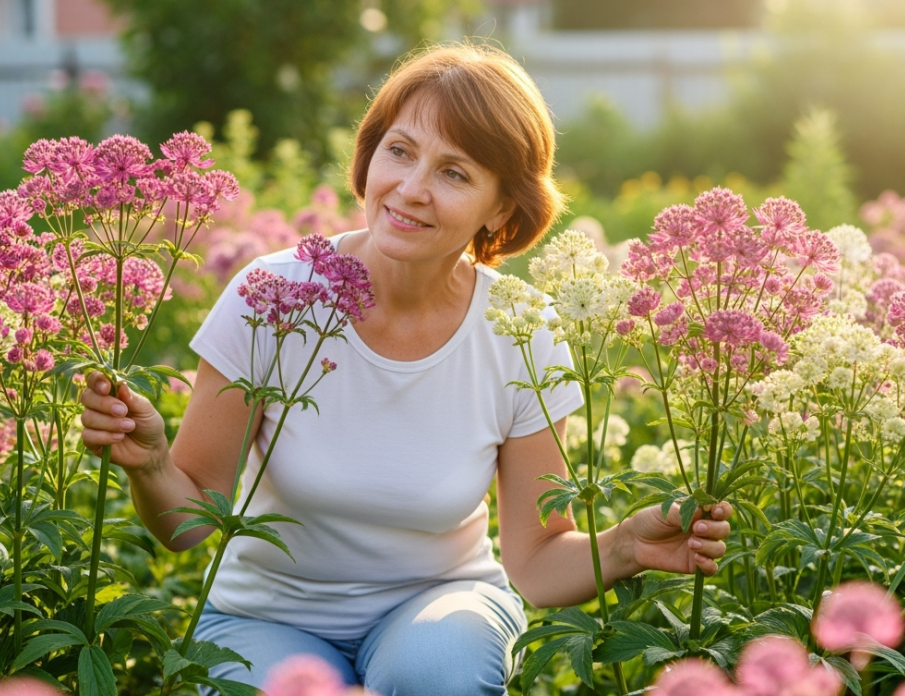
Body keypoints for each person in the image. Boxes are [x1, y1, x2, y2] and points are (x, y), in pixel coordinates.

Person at [80, 43, 731, 695]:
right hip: (263, 619)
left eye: (454, 173)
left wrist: (624, 546)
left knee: (438, 674)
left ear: (501, 208)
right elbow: (190, 523)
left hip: (441, 608)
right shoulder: (272, 297)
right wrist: (152, 464)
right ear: (370, 155)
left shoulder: (520, 328)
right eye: (400, 150)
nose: (412, 189)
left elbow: (534, 564)